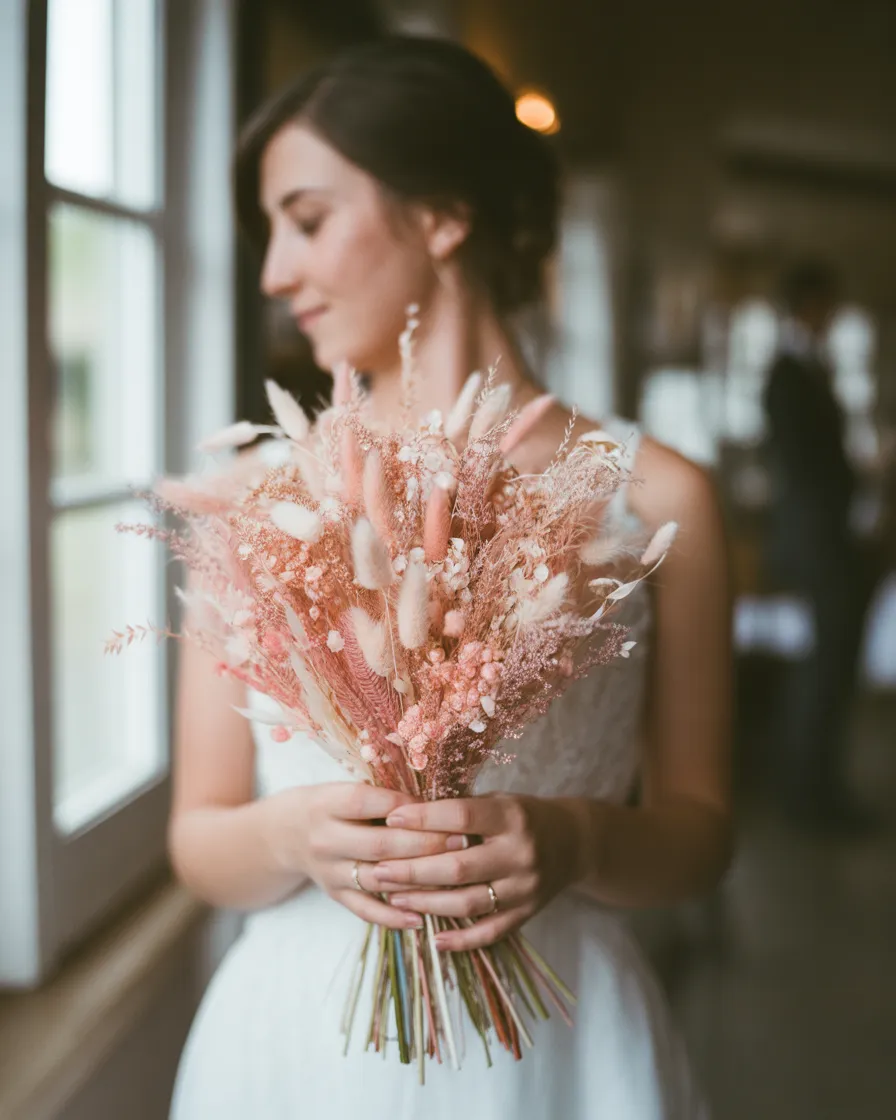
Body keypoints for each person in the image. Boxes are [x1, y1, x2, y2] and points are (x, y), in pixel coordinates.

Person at [169, 37, 732, 1119]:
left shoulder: (660, 500)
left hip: (561, 1045)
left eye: (306, 217)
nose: (272, 274)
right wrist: (292, 836)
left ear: (440, 215)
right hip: (294, 1044)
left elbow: (701, 834)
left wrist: (575, 840)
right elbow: (200, 840)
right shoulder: (253, 494)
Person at [762, 261, 871, 831]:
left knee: (831, 664)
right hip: (815, 539)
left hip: (828, 534)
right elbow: (805, 465)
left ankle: (818, 788)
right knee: (824, 667)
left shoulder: (808, 368)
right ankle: (809, 795)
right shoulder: (787, 373)